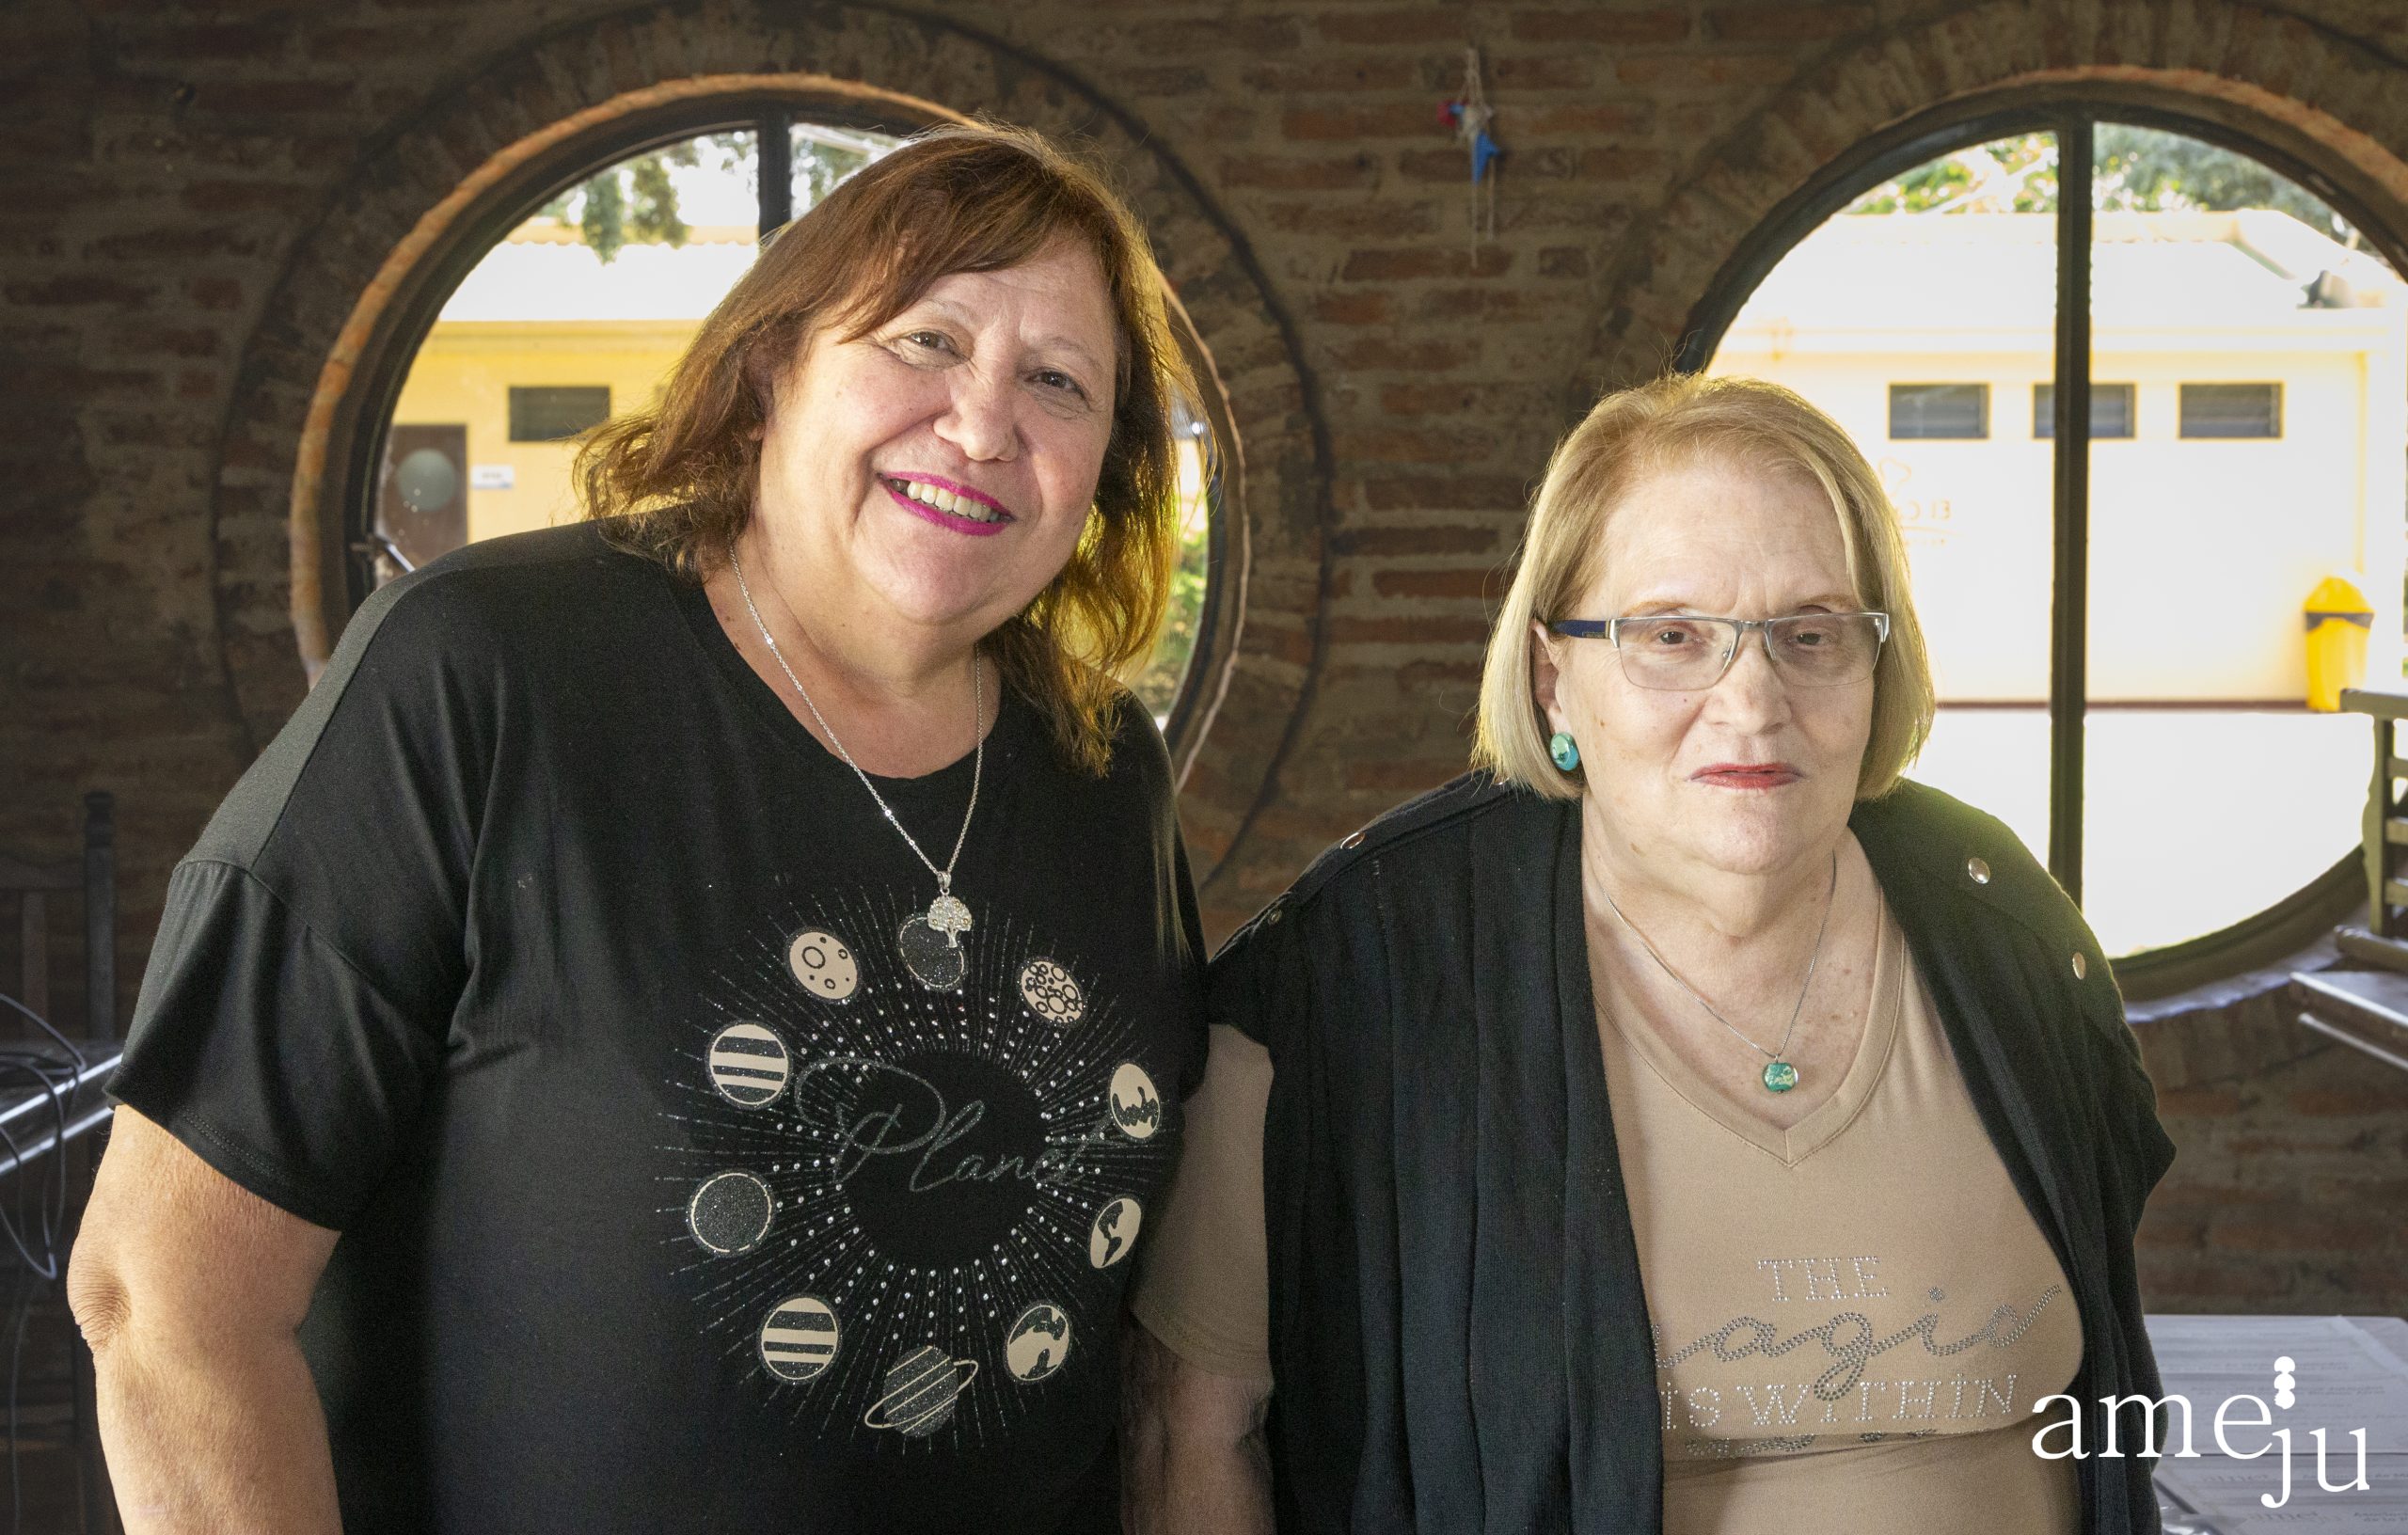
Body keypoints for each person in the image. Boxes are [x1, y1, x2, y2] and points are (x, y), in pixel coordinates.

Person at [71, 123, 1209, 1534]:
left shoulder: (1106, 771)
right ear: (771, 370)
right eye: (926, 340)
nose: (984, 425)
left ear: (1107, 467)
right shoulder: (484, 673)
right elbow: (166, 1300)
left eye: (1058, 381)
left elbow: (1155, 1337)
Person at [1126, 373, 2178, 1534]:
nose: (1753, 700)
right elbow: (1193, 1432)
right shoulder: (1354, 978)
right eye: (1672, 636)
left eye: (1811, 633)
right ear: (1552, 679)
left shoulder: (2003, 929)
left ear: (1877, 667)